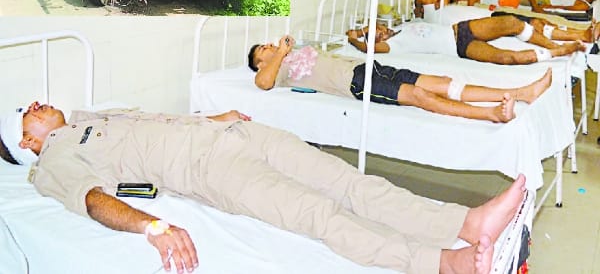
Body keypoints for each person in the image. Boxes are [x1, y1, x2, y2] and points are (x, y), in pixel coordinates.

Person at [0, 102, 530, 274]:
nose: (38, 103)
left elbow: (160, 122)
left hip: (234, 136)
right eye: (28, 111)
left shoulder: (90, 114)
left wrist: (217, 117)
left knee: (350, 182)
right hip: (214, 172)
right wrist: (152, 226)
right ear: (27, 141)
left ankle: (467, 222)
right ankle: (443, 263)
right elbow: (93, 201)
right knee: (320, 214)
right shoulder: (53, 161)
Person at [248, 35, 553, 124]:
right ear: (260, 63)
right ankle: (491, 114)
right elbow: (263, 83)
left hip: (367, 68)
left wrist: (286, 49)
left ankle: (520, 92)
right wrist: (279, 54)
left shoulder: (289, 55)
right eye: (264, 49)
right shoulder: (276, 72)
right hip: (355, 84)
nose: (270, 46)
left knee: (442, 82)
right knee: (420, 97)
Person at [345, 15, 585, 64]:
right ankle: (557, 53)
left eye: (377, 28)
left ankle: (555, 44)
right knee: (506, 58)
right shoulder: (393, 46)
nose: (380, 33)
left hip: (460, 29)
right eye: (374, 36)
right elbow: (367, 49)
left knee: (511, 22)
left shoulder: (403, 26)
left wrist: (365, 29)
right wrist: (354, 37)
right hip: (460, 48)